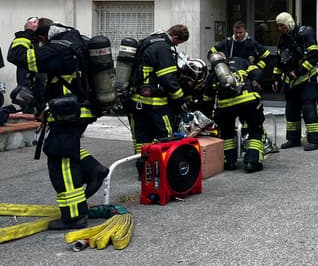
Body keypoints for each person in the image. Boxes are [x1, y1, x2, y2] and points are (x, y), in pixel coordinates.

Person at [7, 17, 109, 230]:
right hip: (72, 110)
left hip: (69, 113)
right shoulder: (74, 41)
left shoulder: (58, 49)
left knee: (61, 161)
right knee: (60, 148)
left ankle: (73, 216)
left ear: (43, 36)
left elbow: (16, 55)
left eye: (39, 40)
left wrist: (25, 34)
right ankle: (94, 169)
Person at [208, 21, 273, 150]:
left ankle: (247, 137)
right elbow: (211, 53)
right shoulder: (227, 43)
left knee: (250, 118)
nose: (238, 35)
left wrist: (256, 69)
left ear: (245, 31)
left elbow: (267, 57)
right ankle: (244, 142)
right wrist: (219, 59)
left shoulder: (251, 44)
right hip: (230, 84)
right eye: (236, 33)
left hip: (249, 81)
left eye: (240, 33)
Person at [128, 25, 189, 158]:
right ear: (175, 37)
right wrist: (180, 99)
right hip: (156, 104)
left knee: (142, 138)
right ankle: (165, 167)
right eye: (178, 43)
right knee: (166, 135)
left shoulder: (148, 41)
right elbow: (168, 78)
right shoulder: (163, 48)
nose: (176, 46)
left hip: (137, 101)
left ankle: (143, 167)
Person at [204, 54, 268, 172]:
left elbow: (207, 98)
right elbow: (257, 73)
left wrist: (209, 115)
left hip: (225, 107)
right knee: (255, 130)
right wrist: (254, 82)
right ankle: (252, 162)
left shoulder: (212, 74)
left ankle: (230, 162)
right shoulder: (241, 62)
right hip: (247, 101)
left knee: (227, 132)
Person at [271, 12, 318, 151]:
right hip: (290, 82)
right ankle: (293, 139)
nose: (280, 29)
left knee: (308, 110)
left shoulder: (305, 34)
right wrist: (276, 79)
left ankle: (316, 141)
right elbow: (279, 61)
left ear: (289, 24)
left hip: (307, 80)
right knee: (291, 111)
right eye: (278, 26)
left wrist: (298, 71)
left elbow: (314, 56)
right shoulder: (283, 39)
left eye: (282, 26)